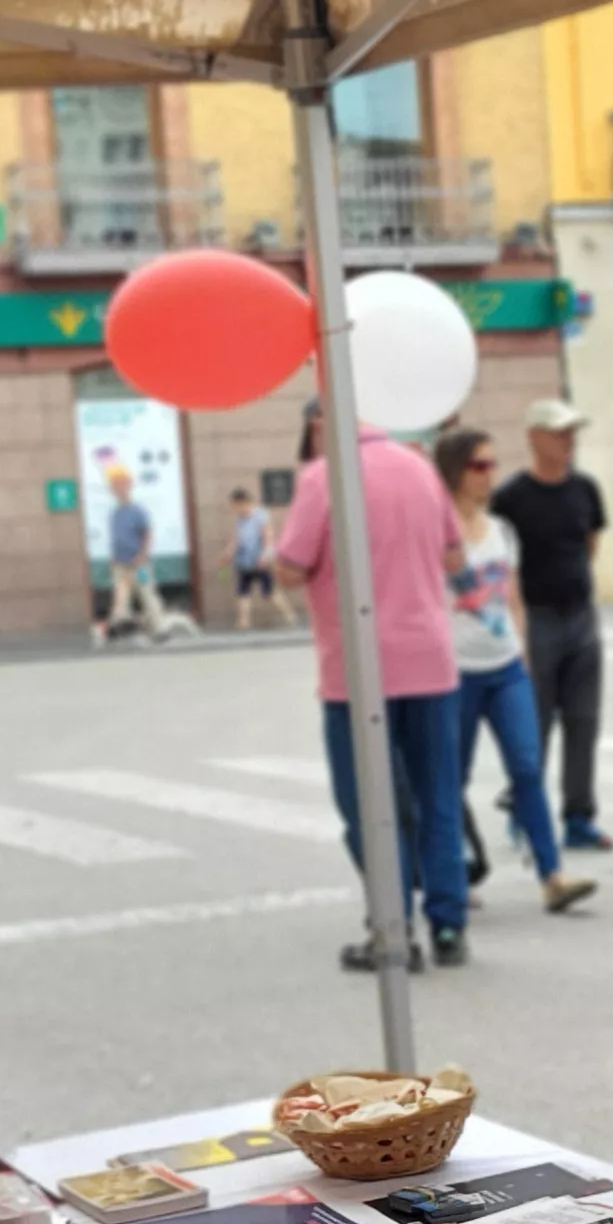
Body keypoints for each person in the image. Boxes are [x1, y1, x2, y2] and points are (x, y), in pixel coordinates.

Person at [283, 398, 473, 969]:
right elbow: (456, 558)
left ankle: (394, 930)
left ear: (322, 425)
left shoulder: (322, 479)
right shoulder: (419, 466)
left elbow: (291, 565)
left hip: (357, 669)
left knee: (369, 804)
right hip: (430, 660)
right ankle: (449, 925)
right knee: (438, 795)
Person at [435, 426, 597, 916]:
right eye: (478, 466)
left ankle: (552, 875)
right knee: (450, 778)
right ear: (455, 471)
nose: (489, 475)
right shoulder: (437, 532)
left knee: (527, 768)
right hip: (456, 672)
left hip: (506, 667)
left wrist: (522, 651)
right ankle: (450, 876)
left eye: (491, 464)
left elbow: (514, 598)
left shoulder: (501, 532)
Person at [491, 397, 613, 852]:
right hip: (535, 619)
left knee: (584, 721)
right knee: (535, 722)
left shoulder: (585, 489)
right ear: (534, 437)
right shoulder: (510, 498)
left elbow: (590, 544)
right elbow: (502, 564)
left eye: (572, 433)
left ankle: (579, 816)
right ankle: (528, 812)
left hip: (581, 616)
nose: (568, 442)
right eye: (559, 433)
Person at [229, 487, 294, 630]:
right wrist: (229, 553)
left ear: (244, 502)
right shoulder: (239, 518)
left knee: (270, 592)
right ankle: (243, 622)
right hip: (244, 561)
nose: (235, 508)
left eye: (236, 505)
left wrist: (265, 555)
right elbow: (238, 538)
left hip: (260, 561)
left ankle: (289, 616)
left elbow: (268, 536)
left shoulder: (260, 515)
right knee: (243, 592)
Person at [103, 466, 156, 630]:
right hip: (121, 563)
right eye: (114, 486)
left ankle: (158, 627)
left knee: (146, 594)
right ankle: (122, 626)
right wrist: (113, 556)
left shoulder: (137, 510)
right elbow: (115, 538)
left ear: (128, 486)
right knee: (121, 597)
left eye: (121, 484)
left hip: (139, 564)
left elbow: (147, 534)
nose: (118, 489)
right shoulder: (115, 513)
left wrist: (142, 555)